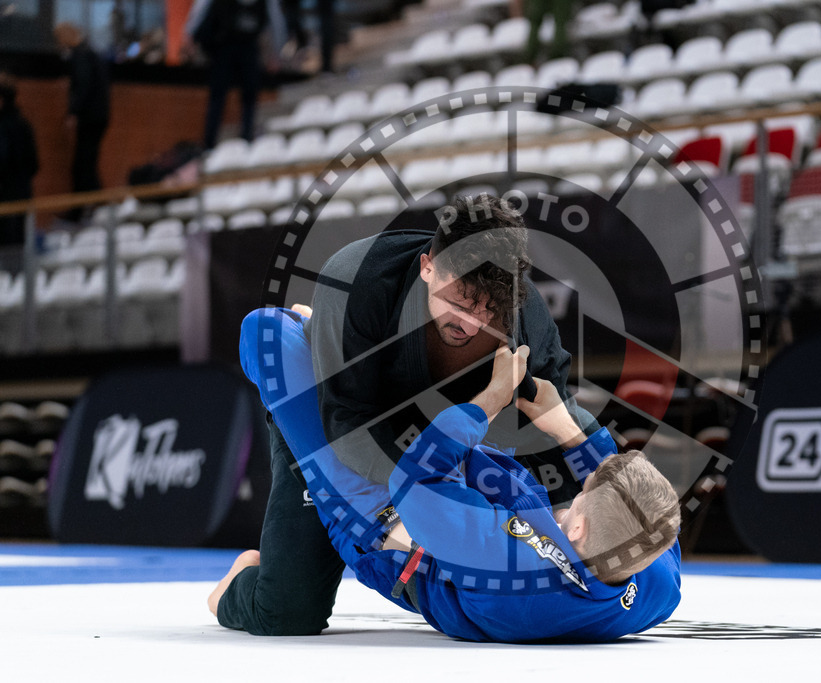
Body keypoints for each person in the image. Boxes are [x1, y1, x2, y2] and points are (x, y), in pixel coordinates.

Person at [214, 194, 600, 636]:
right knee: (285, 614)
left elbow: (552, 417)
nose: (472, 323)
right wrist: (429, 500)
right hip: (344, 423)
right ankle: (236, 580)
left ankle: (317, 332)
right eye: (459, 301)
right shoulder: (358, 280)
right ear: (427, 266)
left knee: (478, 571)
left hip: (451, 450)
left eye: (488, 310)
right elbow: (345, 425)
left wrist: (572, 509)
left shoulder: (523, 314)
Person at [213, 304, 682, 642]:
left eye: (575, 503)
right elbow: (655, 522)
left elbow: (413, 480)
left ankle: (318, 374)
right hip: (466, 489)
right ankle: (332, 363)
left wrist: (489, 401)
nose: (571, 501)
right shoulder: (652, 585)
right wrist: (567, 428)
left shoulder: (511, 577)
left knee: (267, 333)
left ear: (577, 526)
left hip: (381, 509)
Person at [185, 0, 286, 149]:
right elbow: (202, 6)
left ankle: (245, 142)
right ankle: (209, 144)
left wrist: (276, 53)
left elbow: (276, 19)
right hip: (225, 44)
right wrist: (189, 33)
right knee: (218, 97)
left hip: (247, 46)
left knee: (248, 97)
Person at [53, 23, 110, 214]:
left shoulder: (81, 55)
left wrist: (73, 111)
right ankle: (91, 207)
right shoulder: (89, 52)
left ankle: (89, 208)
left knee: (83, 165)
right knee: (86, 164)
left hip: (90, 118)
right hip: (98, 116)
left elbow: (83, 86)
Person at [0, 75, 39, 246]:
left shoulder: (7, 127)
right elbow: (34, 164)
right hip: (22, 194)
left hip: (9, 198)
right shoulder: (24, 124)